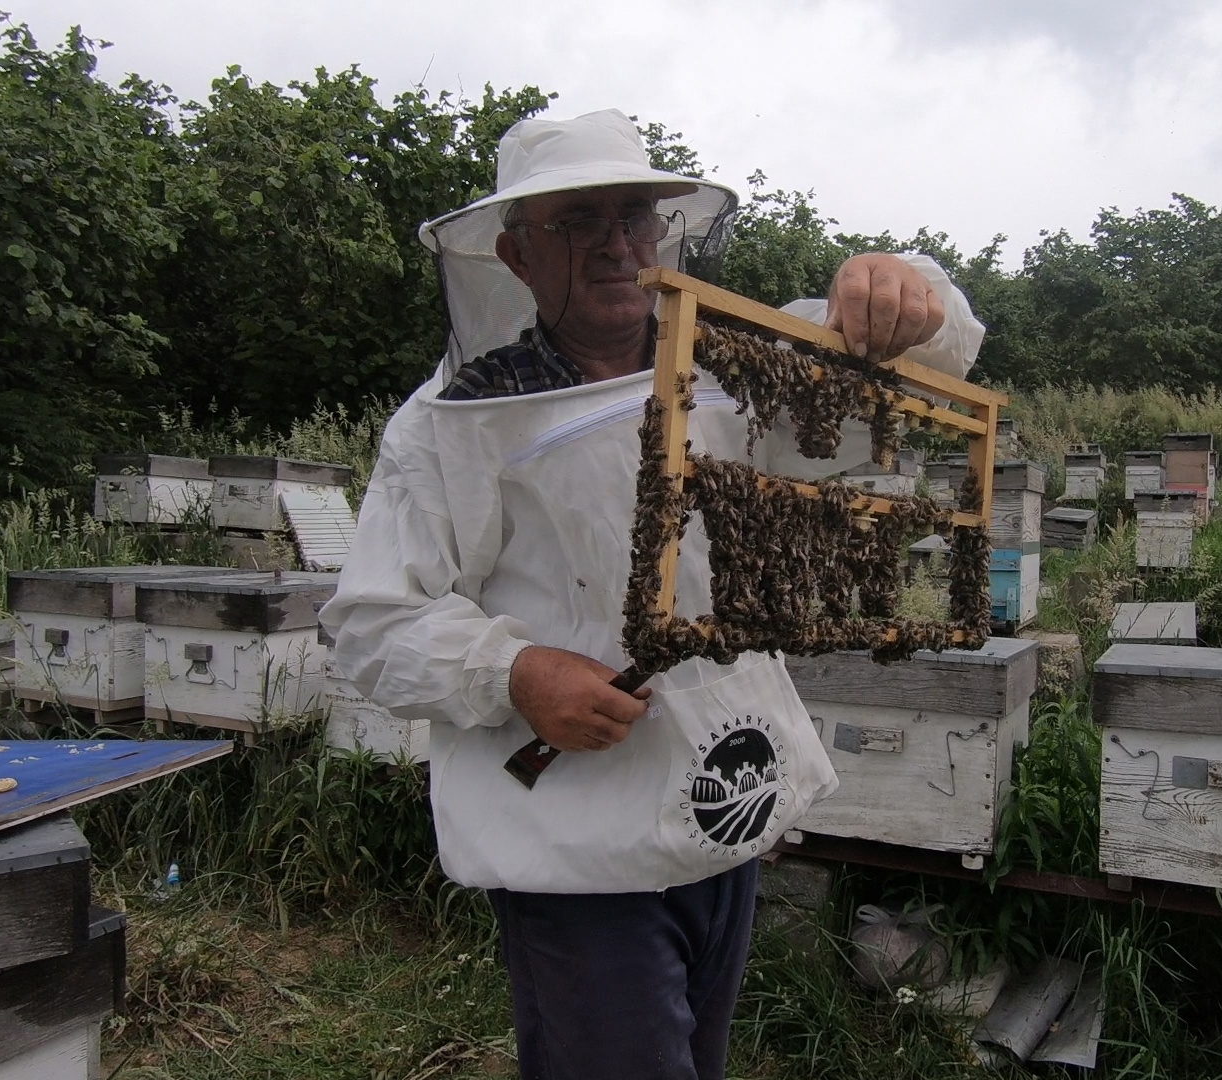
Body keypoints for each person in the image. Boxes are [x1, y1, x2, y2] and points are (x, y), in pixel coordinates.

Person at [319, 109, 983, 1080]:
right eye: (578, 220)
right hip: (576, 845)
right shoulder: (449, 425)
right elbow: (373, 623)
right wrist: (517, 671)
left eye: (633, 215)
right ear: (515, 254)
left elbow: (915, 353)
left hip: (724, 806)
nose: (617, 243)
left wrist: (896, 285)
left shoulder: (731, 367)